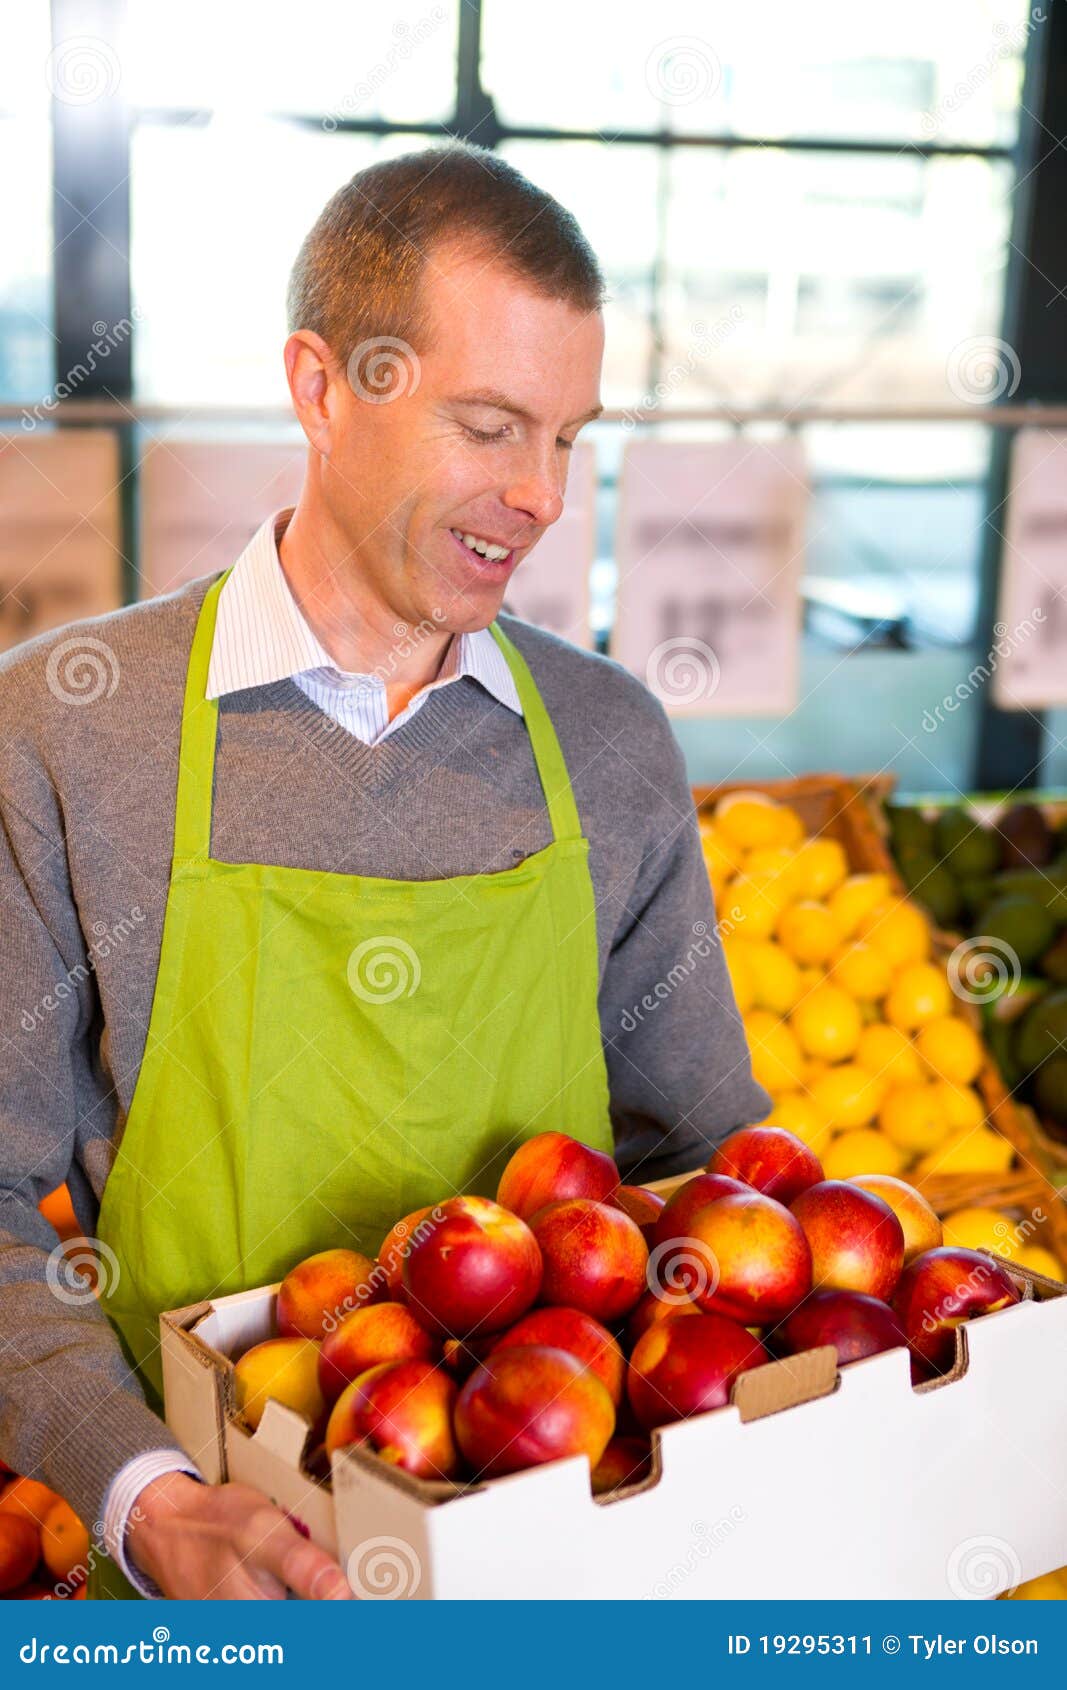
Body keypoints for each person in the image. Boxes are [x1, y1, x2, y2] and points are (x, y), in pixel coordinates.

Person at [0, 143, 768, 1600]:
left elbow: (704, 1158)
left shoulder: (607, 743)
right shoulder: (68, 728)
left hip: (566, 1550)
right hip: (215, 1566)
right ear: (322, 385)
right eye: (490, 426)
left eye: (568, 435)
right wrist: (147, 1499)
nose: (540, 494)